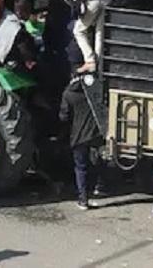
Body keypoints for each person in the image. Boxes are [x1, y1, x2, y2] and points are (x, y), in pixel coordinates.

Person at [59, 46, 107, 209]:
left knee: (81, 167)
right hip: (96, 134)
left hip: (78, 136)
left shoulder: (68, 94)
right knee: (97, 163)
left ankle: (83, 199)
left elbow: (63, 117)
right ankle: (98, 188)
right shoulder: (95, 90)